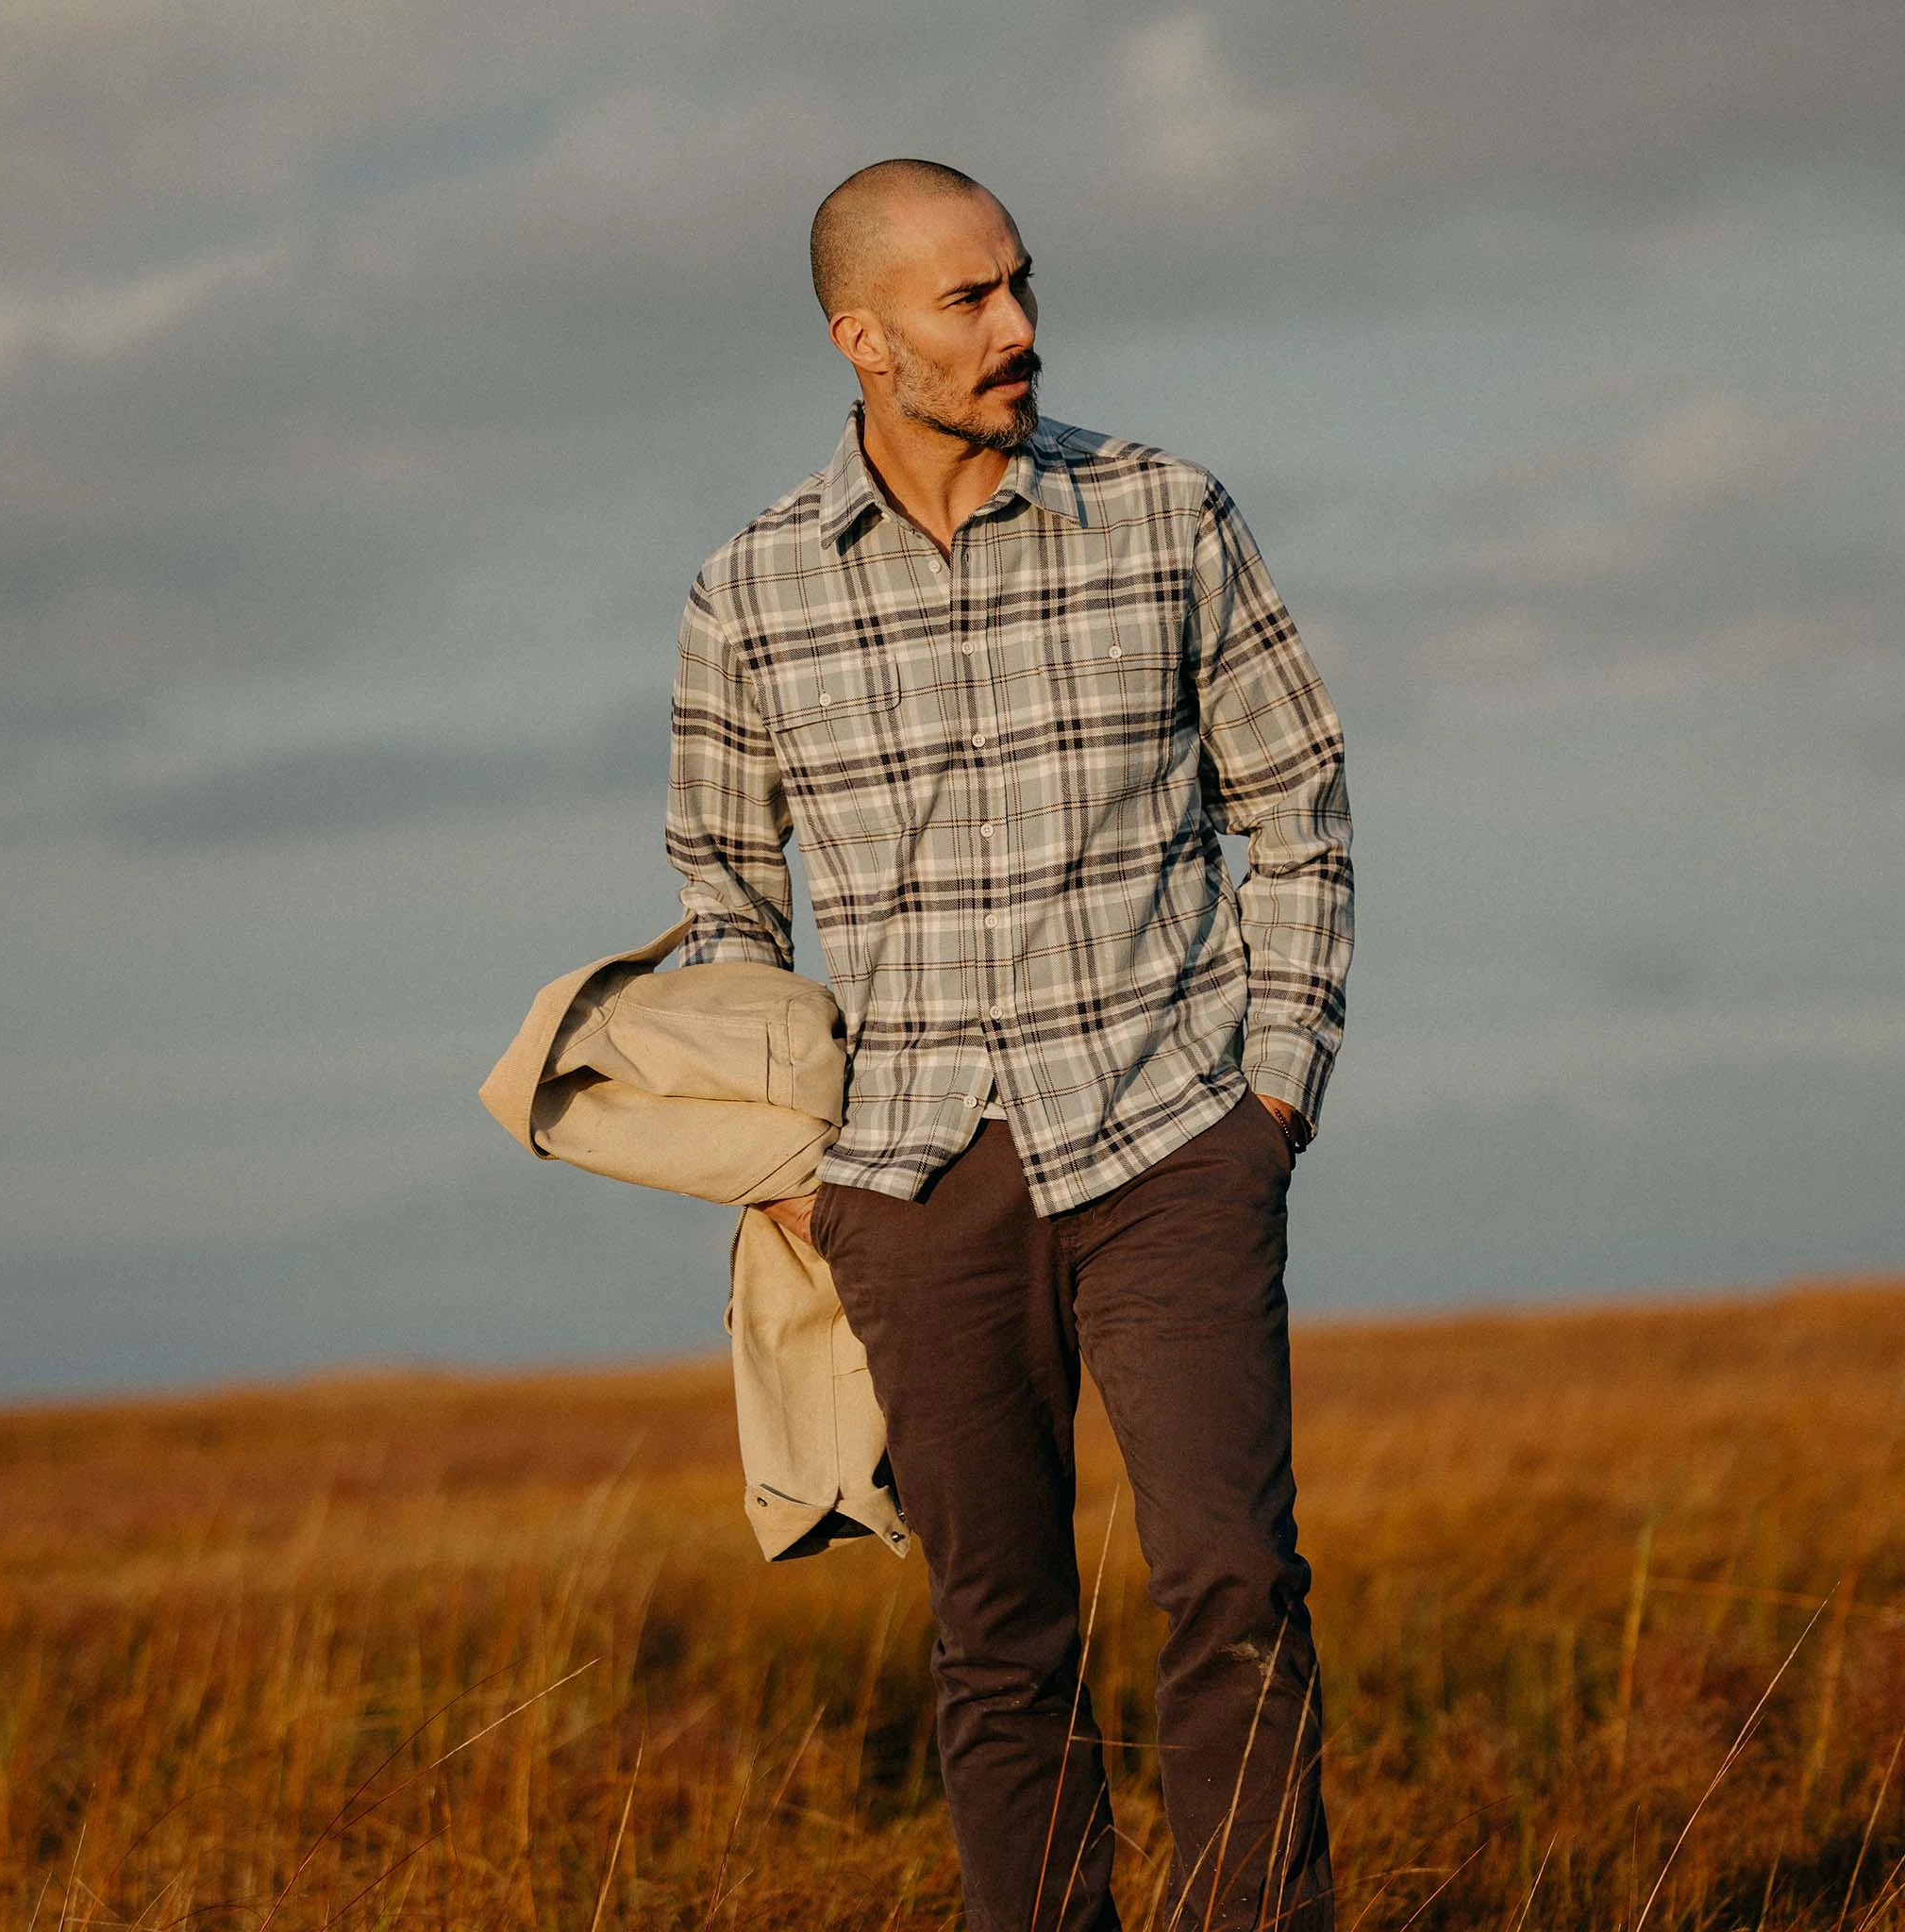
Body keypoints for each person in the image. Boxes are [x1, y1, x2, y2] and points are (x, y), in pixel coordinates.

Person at [665, 158, 1353, 1932]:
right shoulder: (750, 591)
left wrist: (1270, 1092)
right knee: (999, 1644)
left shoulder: (1166, 514)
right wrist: (801, 1173)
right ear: (862, 336)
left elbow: (1300, 808)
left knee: (1232, 1582)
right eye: (969, 301)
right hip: (907, 1184)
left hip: (1170, 1138)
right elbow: (727, 901)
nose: (1019, 329)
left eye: (1021, 285)